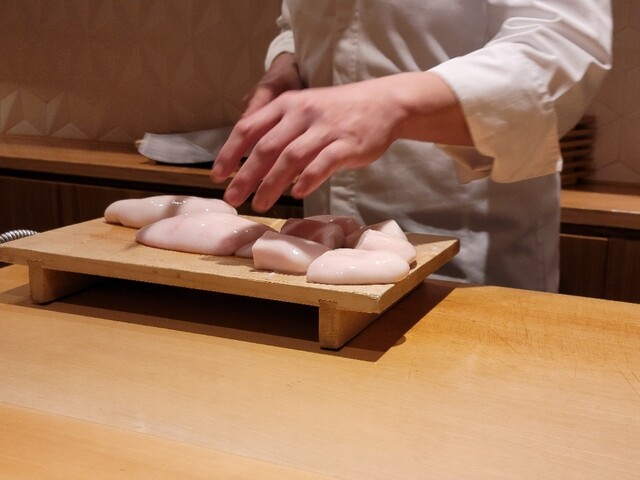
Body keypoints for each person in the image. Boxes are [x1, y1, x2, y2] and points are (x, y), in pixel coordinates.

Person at [210, 1, 612, 291]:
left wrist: (395, 104)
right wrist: (288, 65)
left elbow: (563, 46)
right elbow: (296, 23)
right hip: (319, 246)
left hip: (471, 257)